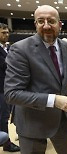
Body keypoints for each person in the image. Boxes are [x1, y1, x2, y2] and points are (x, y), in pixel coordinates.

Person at [4, 5, 67, 154]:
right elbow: (11, 94)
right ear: (35, 24)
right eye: (40, 21)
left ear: (60, 24)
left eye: (51, 21)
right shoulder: (20, 49)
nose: (46, 26)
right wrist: (54, 100)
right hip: (32, 123)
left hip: (61, 121)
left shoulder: (65, 46)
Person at [0, 23, 20, 152]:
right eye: (3, 33)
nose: (6, 35)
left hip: (6, 87)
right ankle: (6, 143)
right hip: (0, 88)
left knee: (4, 116)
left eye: (7, 32)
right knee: (3, 116)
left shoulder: (5, 48)